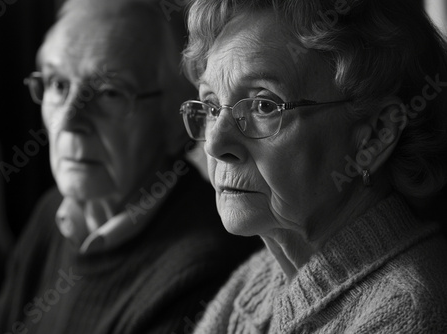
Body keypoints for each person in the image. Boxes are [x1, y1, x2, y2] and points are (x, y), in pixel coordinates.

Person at [0, 0, 260, 333]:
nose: (68, 120)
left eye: (109, 92)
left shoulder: (201, 270)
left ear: (175, 120)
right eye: (58, 85)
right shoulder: (54, 213)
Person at [179, 0, 447, 332]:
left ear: (376, 135)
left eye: (264, 105)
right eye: (211, 106)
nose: (216, 145)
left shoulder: (410, 313)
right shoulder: (259, 277)